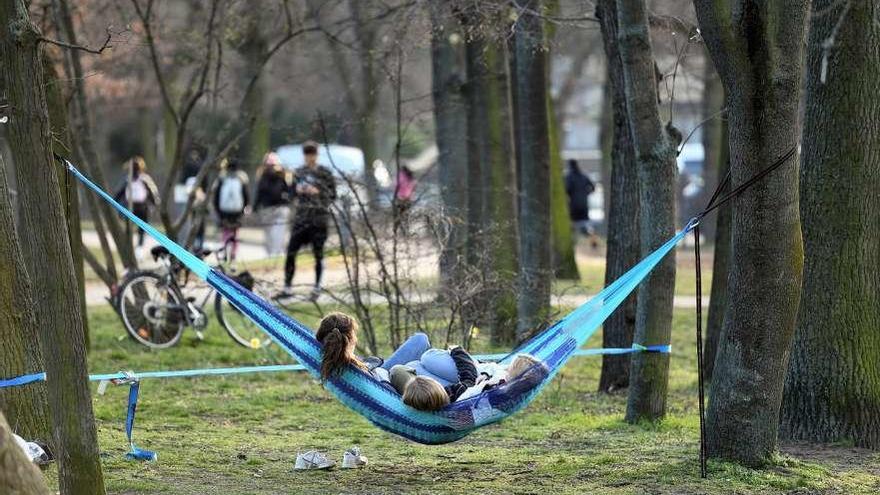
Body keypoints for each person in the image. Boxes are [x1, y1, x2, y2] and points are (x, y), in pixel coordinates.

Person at [281, 141, 337, 300]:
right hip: (301, 218)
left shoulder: (325, 173)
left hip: (319, 219)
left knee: (318, 254)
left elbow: (333, 195)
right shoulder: (299, 172)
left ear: (316, 155)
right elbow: (290, 194)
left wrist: (318, 192)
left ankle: (317, 287)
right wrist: (297, 191)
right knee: (291, 251)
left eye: (312, 155)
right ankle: (287, 287)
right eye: (306, 155)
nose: (309, 158)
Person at [114, 156, 159, 252]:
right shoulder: (130, 179)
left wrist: (154, 203)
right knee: (134, 228)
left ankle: (137, 247)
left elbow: (151, 192)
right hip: (133, 206)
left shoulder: (141, 179)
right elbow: (121, 192)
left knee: (138, 228)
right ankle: (133, 247)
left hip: (139, 207)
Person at [254, 152, 290, 256]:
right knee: (269, 235)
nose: (271, 168)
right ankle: (271, 255)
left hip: (281, 209)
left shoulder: (284, 176)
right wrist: (255, 208)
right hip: (267, 209)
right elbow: (259, 193)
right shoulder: (262, 176)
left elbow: (290, 192)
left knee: (279, 234)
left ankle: (277, 254)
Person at [213, 158, 249, 260]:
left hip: (224, 211)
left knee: (225, 231)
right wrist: (245, 208)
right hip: (237, 211)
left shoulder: (222, 178)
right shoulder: (242, 178)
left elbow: (216, 196)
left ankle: (224, 251)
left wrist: (217, 210)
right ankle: (233, 254)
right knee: (235, 233)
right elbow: (246, 195)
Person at [564, 159, 596, 236]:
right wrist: (586, 193)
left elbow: (567, 189)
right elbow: (593, 187)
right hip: (584, 204)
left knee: (572, 224)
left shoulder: (568, 177)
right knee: (585, 224)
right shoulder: (584, 176)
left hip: (573, 205)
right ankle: (591, 240)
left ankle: (573, 240)